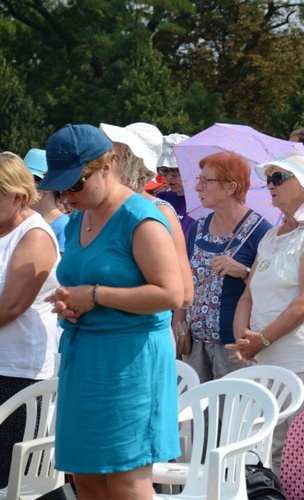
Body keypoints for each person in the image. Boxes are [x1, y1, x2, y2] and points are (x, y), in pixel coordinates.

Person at [40, 124, 182, 499]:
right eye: (61, 188)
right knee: (84, 476)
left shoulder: (141, 218)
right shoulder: (75, 220)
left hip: (130, 363)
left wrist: (98, 296)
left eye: (76, 183)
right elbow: (82, 279)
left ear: (107, 166)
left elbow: (173, 293)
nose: (67, 196)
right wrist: (68, 301)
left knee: (125, 482)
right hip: (83, 358)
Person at [228, 151, 304, 471]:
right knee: (262, 454)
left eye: (279, 177)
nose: (270, 184)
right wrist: (244, 338)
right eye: (268, 178)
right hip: (265, 359)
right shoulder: (270, 236)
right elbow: (247, 296)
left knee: (303, 456)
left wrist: (261, 339)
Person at [177, 152, 271, 383]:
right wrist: (176, 334)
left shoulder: (260, 230)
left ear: (230, 187)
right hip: (193, 342)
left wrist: (244, 273)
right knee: (192, 415)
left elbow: (270, 286)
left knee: (229, 414)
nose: (198, 187)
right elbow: (184, 284)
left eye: (206, 181)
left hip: (232, 346)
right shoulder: (198, 227)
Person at [0, 152, 60, 488]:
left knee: (6, 474)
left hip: (16, 374)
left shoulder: (33, 236)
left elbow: (11, 306)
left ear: (17, 197)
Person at [99, 123, 193, 312]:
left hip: (142, 328)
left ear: (133, 163)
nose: (105, 164)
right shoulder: (99, 210)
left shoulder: (160, 209)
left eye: (114, 157)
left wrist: (96, 296)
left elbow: (182, 293)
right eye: (164, 171)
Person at [24, 148, 69, 253]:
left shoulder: (63, 227)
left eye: (26, 183)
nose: (20, 189)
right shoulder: (21, 220)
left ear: (47, 186)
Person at [156, 133, 195, 239]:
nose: (169, 177)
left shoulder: (203, 203)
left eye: (175, 170)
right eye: (164, 170)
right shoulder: (161, 198)